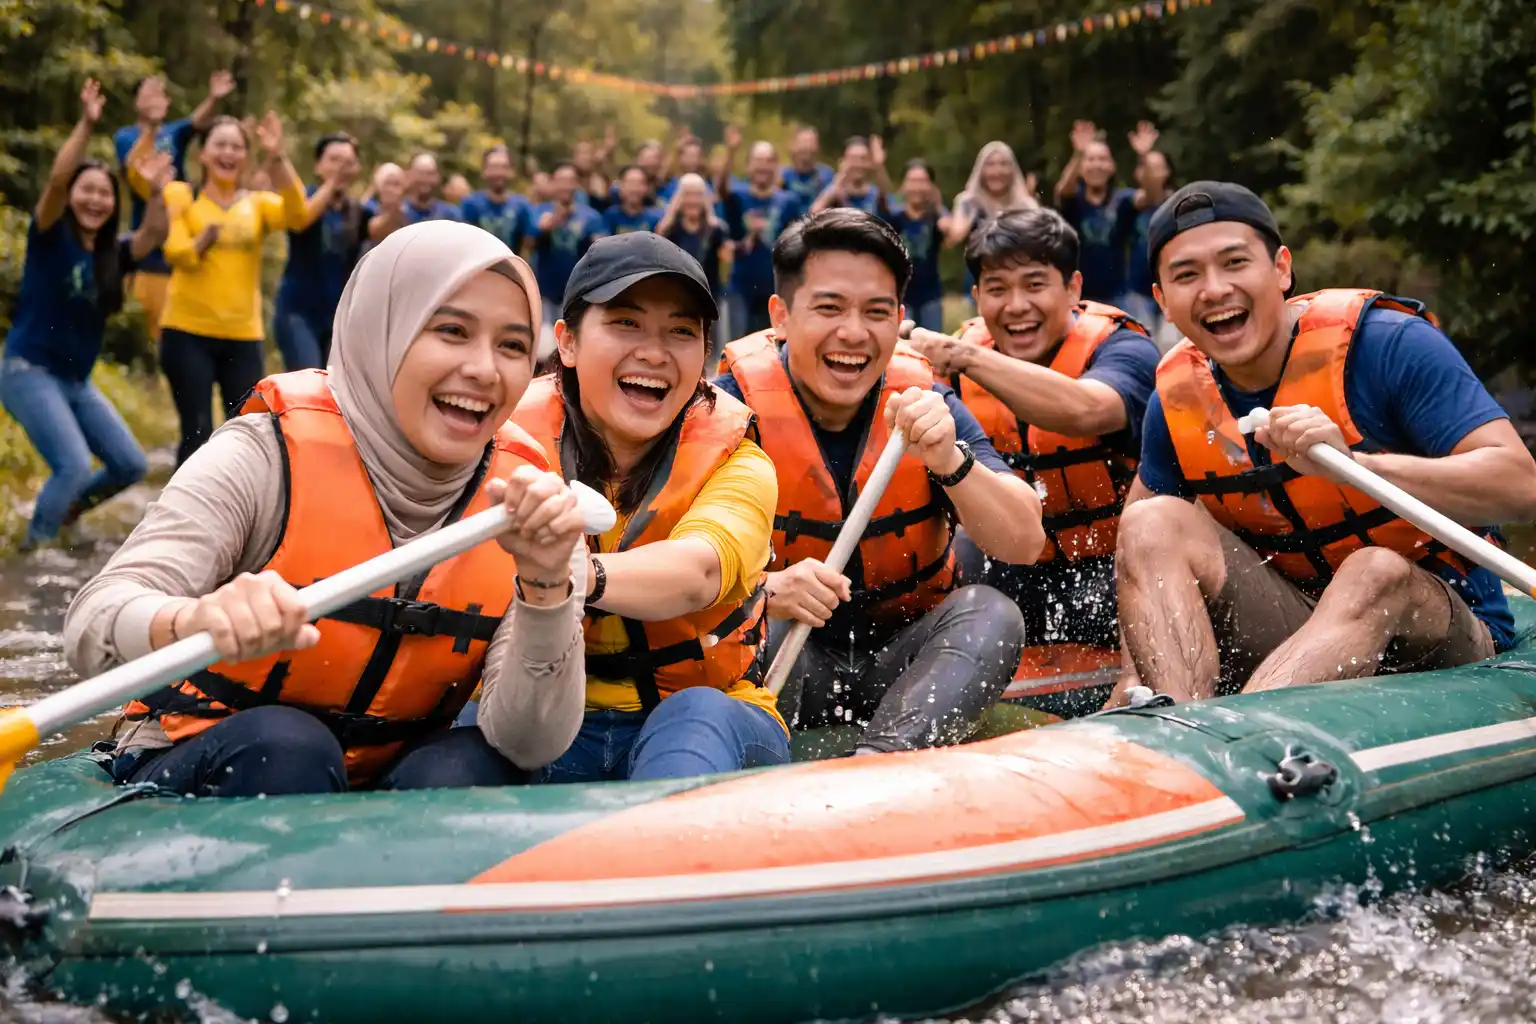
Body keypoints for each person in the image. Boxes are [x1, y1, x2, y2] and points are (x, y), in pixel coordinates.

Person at [64, 222, 589, 797]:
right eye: (451, 331)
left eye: (512, 345)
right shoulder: (261, 456)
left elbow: (531, 742)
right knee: (288, 748)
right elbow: (92, 622)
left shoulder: (529, 501)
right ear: (380, 332)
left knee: (474, 768)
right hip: (207, 753)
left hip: (382, 775)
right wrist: (192, 620)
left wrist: (545, 588)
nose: (486, 370)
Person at [1117, 182, 1536, 704]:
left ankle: (1236, 735)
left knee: (1373, 569)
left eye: (1235, 263)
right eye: (1187, 275)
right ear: (1163, 301)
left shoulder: (1389, 346)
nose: (1214, 289)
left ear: (1281, 269)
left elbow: (1523, 487)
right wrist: (1134, 679)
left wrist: (1355, 467)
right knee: (1149, 520)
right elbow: (1140, 556)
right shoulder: (1176, 399)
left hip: (1437, 625)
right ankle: (1176, 727)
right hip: (1295, 627)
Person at [717, 210, 1043, 754]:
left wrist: (949, 461)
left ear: (899, 319)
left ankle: (882, 758)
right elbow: (674, 567)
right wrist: (765, 592)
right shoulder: (725, 410)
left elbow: (1025, 543)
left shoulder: (929, 403)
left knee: (992, 613)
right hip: (785, 661)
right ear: (780, 315)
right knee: (742, 623)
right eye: (828, 308)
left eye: (876, 312)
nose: (854, 333)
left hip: (905, 661)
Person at [510, 232, 787, 782]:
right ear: (566, 342)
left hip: (703, 709)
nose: (654, 352)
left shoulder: (741, 461)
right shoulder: (505, 444)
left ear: (705, 355)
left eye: (681, 332)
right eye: (626, 323)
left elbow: (698, 572)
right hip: (539, 715)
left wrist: (564, 574)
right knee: (458, 745)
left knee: (696, 715)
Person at [905, 208, 1159, 661]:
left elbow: (1088, 410)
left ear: (1074, 288)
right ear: (977, 296)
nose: (1017, 306)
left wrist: (963, 357)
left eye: (1035, 285)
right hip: (1014, 568)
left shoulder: (1125, 348)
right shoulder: (943, 370)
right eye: (998, 290)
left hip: (1119, 568)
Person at [1, 81, 168, 551]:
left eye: (104, 194)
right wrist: (86, 124)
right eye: (86, 190)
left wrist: (157, 191)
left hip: (77, 382)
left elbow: (154, 234)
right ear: (73, 195)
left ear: (114, 204)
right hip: (28, 371)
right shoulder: (50, 236)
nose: (95, 200)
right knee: (72, 464)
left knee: (130, 464)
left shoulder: (114, 253)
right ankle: (34, 550)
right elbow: (56, 181)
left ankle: (65, 513)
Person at [159, 112, 307, 466]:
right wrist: (201, 243)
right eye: (220, 145)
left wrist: (278, 158)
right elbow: (174, 251)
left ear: (245, 156)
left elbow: (298, 213)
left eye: (237, 146)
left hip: (242, 335)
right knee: (195, 431)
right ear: (203, 155)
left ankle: (238, 516)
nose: (229, 152)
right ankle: (189, 517)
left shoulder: (256, 203)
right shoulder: (181, 194)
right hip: (186, 330)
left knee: (244, 431)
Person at [113, 70, 234, 341]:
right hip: (148, 224)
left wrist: (214, 97)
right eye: (149, 93)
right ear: (136, 102)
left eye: (159, 94)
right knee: (149, 299)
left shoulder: (174, 132)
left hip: (181, 224)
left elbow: (196, 122)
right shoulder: (126, 136)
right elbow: (132, 168)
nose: (155, 99)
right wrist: (152, 130)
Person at [272, 132, 365, 372]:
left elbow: (380, 228)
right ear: (318, 166)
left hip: (337, 318)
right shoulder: (303, 201)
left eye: (348, 163)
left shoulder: (356, 211)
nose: (341, 168)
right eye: (334, 160)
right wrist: (332, 182)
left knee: (334, 392)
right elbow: (300, 220)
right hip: (297, 314)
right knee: (309, 383)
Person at [715, 126, 802, 338]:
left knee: (773, 344)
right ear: (749, 166)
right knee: (739, 345)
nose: (763, 166)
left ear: (775, 166)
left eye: (768, 161)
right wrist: (731, 152)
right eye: (758, 160)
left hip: (776, 285)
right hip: (741, 285)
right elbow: (721, 189)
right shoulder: (738, 196)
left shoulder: (788, 201)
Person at [1053, 120, 1138, 305]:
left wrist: (1145, 156)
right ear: (1081, 167)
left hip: (1118, 296)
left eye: (1102, 159)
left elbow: (1150, 196)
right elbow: (1062, 189)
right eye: (1090, 159)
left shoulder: (1122, 200)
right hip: (1078, 296)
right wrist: (1078, 153)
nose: (1096, 165)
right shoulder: (1074, 200)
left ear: (1112, 166)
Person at [530, 162, 606, 360]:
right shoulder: (539, 211)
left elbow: (601, 250)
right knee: (543, 353)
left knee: (575, 351)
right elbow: (527, 243)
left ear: (577, 184)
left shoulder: (590, 217)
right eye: (561, 180)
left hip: (577, 296)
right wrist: (546, 227)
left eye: (570, 181)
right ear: (552, 183)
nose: (565, 185)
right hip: (545, 295)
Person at [657, 172, 731, 361]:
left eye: (697, 195)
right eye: (687, 194)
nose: (692, 200)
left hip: (709, 300)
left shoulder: (716, 230)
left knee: (710, 352)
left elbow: (726, 266)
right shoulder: (669, 229)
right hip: (675, 299)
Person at [881, 159, 952, 333]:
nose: (917, 187)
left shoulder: (937, 218)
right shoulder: (895, 218)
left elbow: (951, 235)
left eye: (922, 181)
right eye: (912, 181)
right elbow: (884, 196)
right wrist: (879, 166)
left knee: (933, 349)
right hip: (902, 295)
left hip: (931, 296)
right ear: (903, 185)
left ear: (931, 186)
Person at [1119, 125, 1174, 342]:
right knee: (1143, 344)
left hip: (1169, 289)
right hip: (1138, 294)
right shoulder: (1131, 203)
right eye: (1145, 167)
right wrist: (1143, 156)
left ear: (1167, 172)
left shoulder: (1175, 203)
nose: (1150, 172)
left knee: (1170, 346)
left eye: (1156, 167)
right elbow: (1150, 192)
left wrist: (1144, 157)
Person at [368, 151, 460, 242]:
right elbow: (375, 234)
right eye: (420, 173)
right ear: (409, 175)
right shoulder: (397, 211)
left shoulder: (450, 215)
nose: (425, 179)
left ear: (438, 177)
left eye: (430, 173)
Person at [459, 145, 529, 252]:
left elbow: (529, 245)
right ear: (484, 171)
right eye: (493, 167)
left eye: (503, 167)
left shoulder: (521, 205)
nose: (498, 172)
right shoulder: (470, 204)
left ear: (512, 171)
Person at [809, 135, 892, 215]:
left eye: (863, 158)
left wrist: (879, 166)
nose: (858, 164)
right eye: (853, 159)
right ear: (842, 162)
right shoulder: (834, 194)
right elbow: (814, 213)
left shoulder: (875, 195)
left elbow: (890, 209)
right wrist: (840, 177)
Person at [780, 125, 835, 210]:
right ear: (792, 147)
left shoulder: (827, 175)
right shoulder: (782, 175)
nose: (807, 147)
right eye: (803, 142)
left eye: (811, 142)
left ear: (817, 148)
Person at [602, 165, 663, 235]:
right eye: (630, 183)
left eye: (639, 183)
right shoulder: (610, 215)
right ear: (620, 186)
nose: (634, 189)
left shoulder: (656, 218)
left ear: (646, 187)